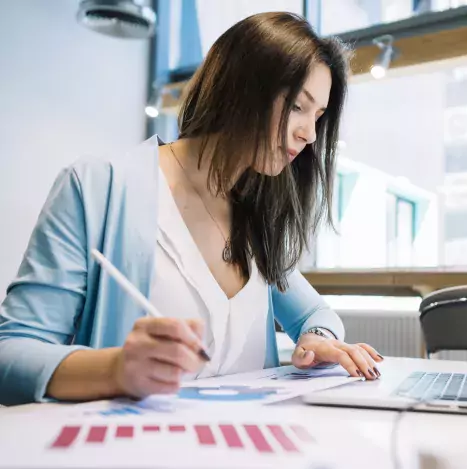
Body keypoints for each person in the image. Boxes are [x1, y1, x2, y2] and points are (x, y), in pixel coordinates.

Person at [0, 12, 383, 407]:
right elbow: (11, 352)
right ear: (241, 88)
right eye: (298, 107)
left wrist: (318, 340)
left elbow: (316, 314)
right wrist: (115, 369)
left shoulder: (256, 214)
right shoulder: (98, 188)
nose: (310, 134)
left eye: (318, 116)